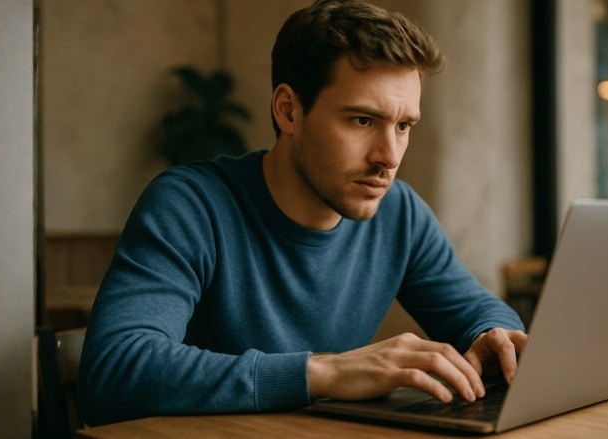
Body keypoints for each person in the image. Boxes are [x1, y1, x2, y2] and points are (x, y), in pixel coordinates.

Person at [78, 0, 526, 426]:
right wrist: (326, 373)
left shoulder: (399, 213)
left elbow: (477, 312)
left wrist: (495, 335)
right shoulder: (190, 206)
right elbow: (116, 370)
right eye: (362, 121)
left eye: (403, 125)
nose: (388, 157)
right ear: (288, 110)